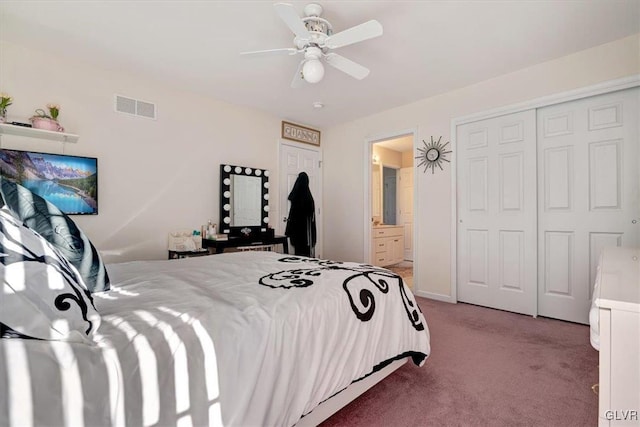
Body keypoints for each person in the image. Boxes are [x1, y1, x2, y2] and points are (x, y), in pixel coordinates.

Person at [285, 172, 316, 257]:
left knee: (298, 251)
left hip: (297, 228)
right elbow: (311, 214)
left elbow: (292, 212)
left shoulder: (296, 195)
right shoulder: (308, 196)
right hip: (306, 229)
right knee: (305, 251)